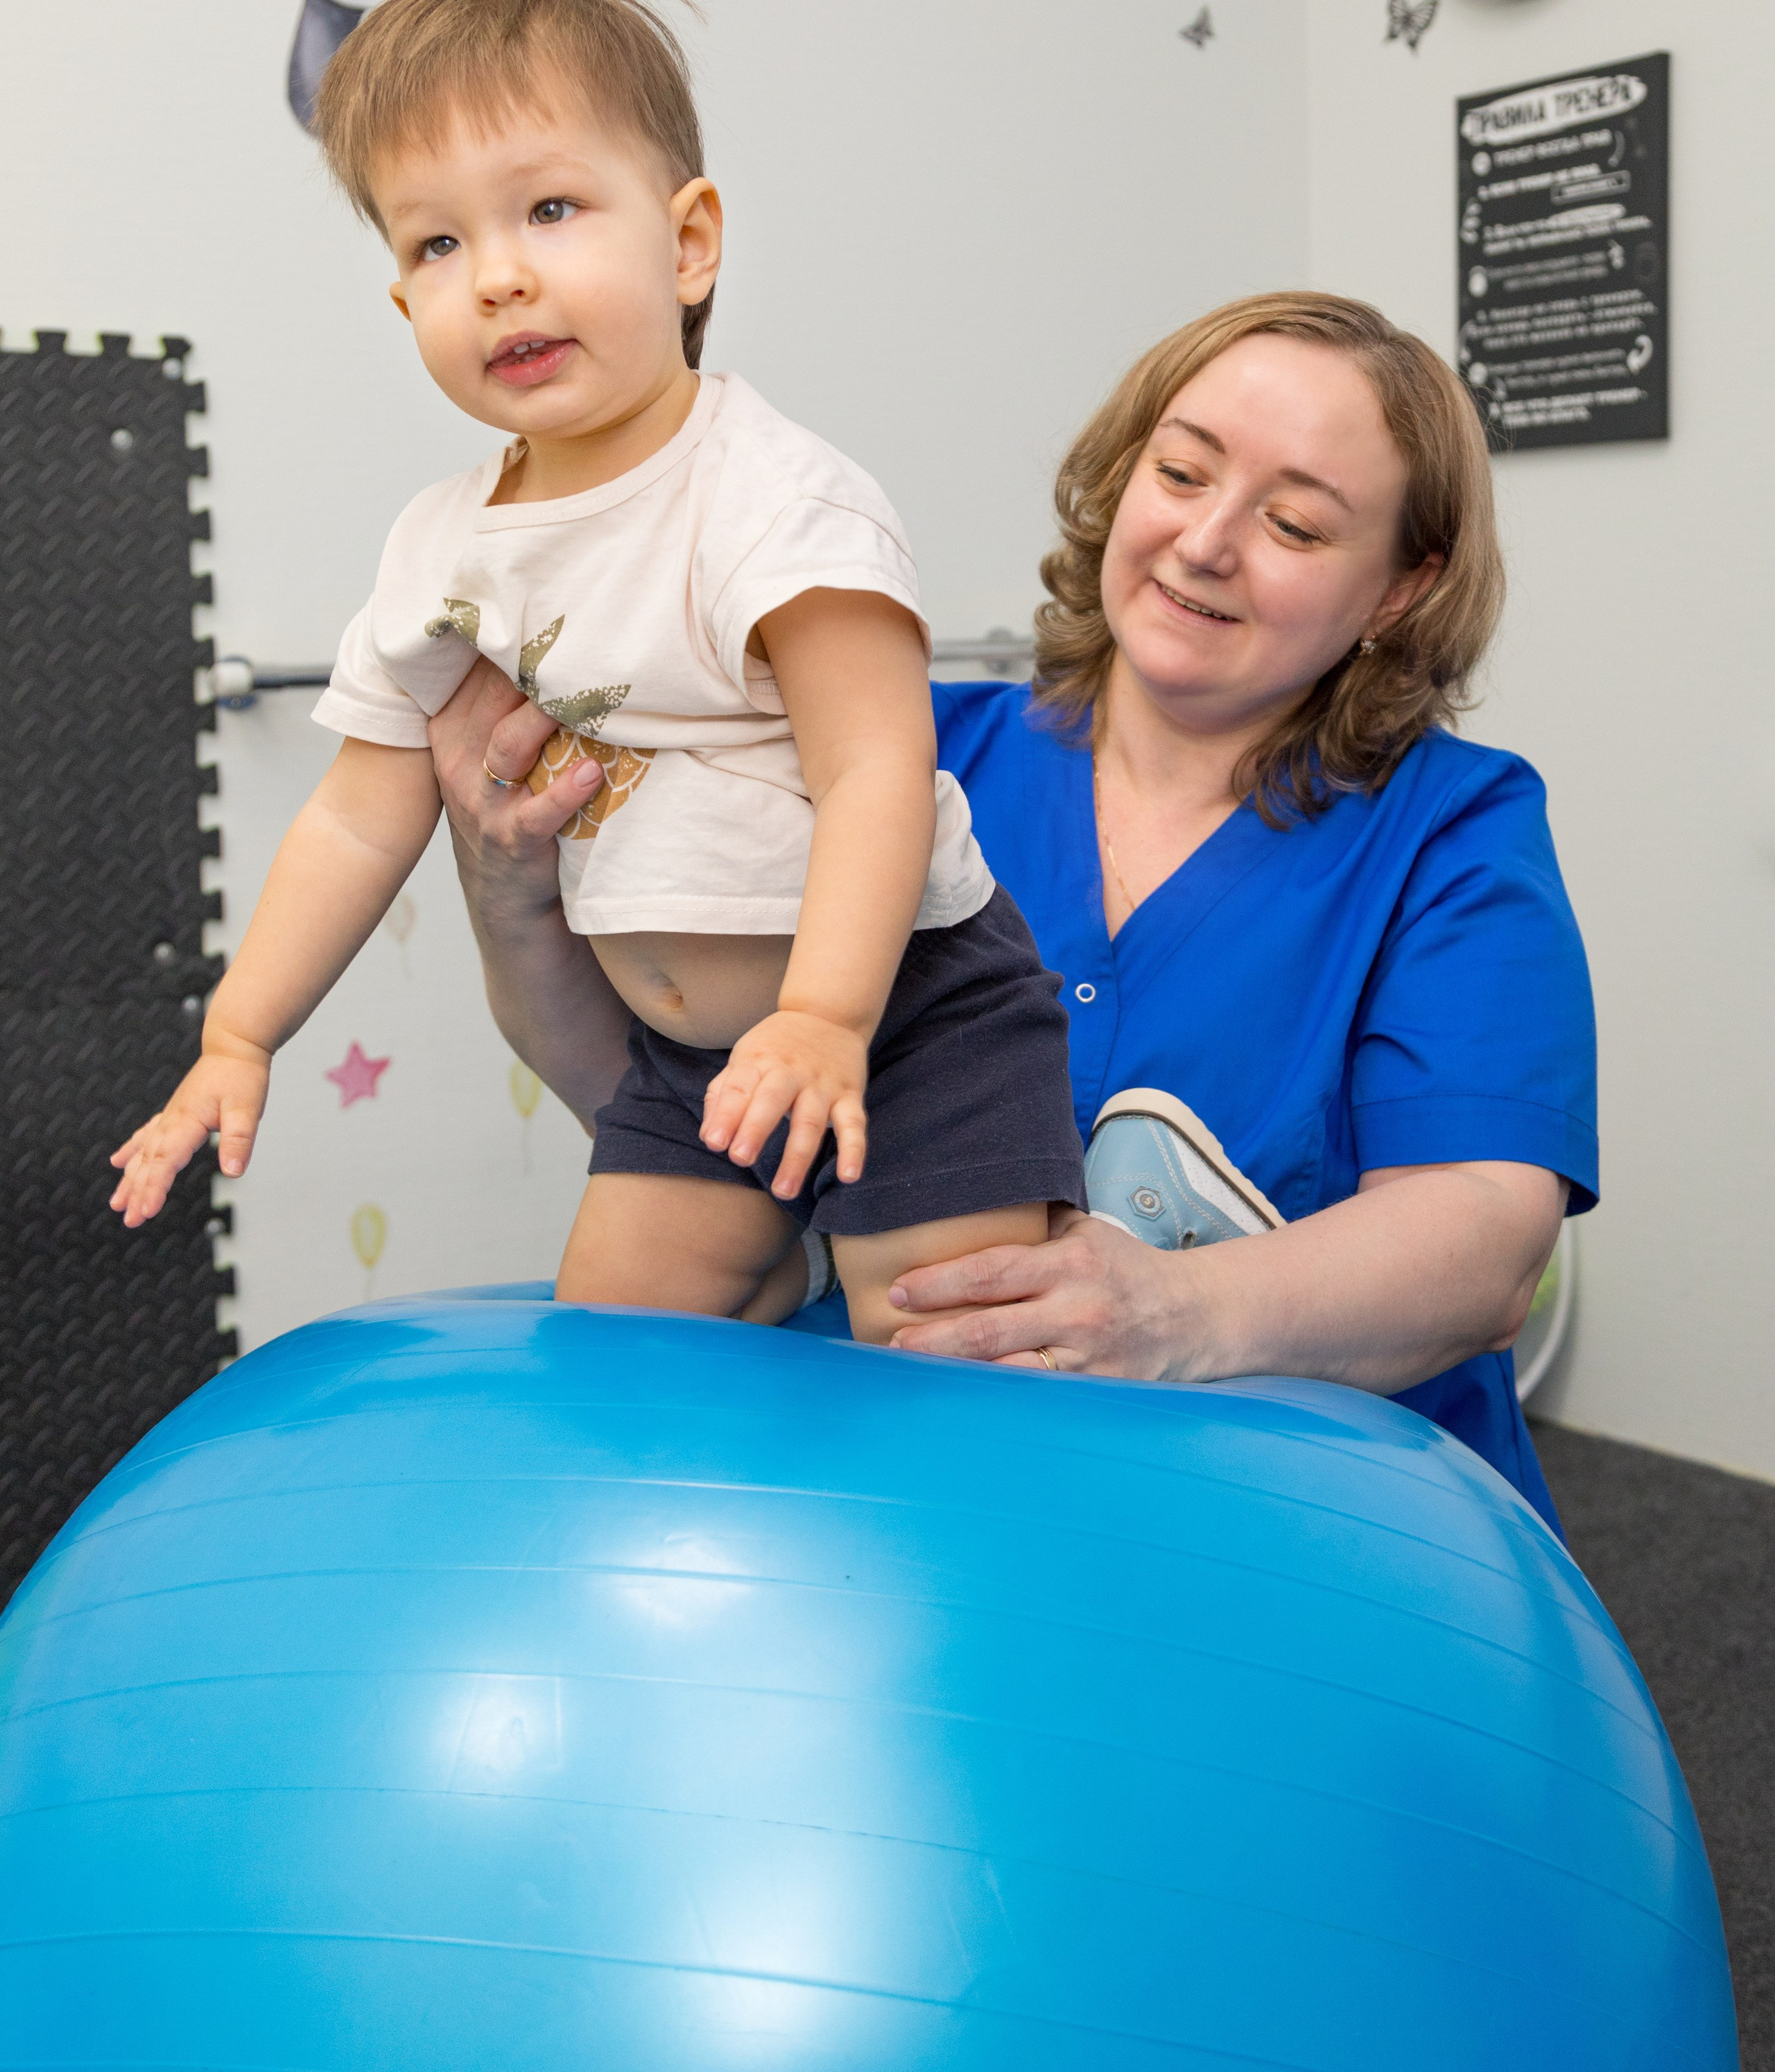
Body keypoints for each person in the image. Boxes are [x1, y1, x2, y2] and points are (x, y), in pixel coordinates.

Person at [435, 292, 1593, 1529]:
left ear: (1400, 592)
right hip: (910, 1496)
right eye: (1181, 472)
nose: (1205, 542)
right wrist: (510, 895)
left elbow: (1487, 1241)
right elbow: (673, 1098)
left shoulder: (1453, 830)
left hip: (1312, 1521)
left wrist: (1178, 1312)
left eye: (1295, 525)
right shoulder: (903, 767)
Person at [107, 0, 1086, 1341]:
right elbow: (355, 819)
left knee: (943, 1342)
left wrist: (823, 1018)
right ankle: (785, 1265)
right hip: (690, 1065)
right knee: (618, 1351)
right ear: (402, 303)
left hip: (907, 1011)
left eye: (551, 210)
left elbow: (875, 769)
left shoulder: (771, 499)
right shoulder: (439, 548)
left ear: (688, 244)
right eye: (437, 246)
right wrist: (238, 1032)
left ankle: (891, 1280)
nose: (498, 278)